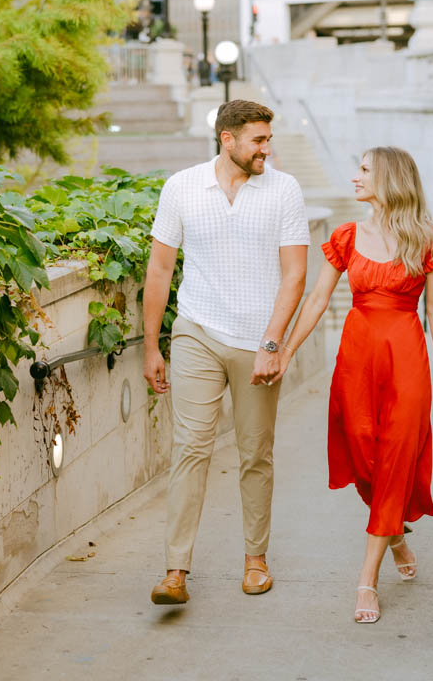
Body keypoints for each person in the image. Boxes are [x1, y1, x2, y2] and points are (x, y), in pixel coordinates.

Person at [274, 146, 433, 624]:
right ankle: (394, 535)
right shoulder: (347, 236)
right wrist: (286, 351)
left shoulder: (430, 238)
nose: (355, 177)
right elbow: (315, 299)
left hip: (407, 359)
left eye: (364, 170)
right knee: (363, 455)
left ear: (390, 179)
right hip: (357, 358)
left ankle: (366, 580)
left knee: (396, 458)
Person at [142, 99, 309, 605]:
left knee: (255, 453)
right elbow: (159, 271)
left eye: (268, 138)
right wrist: (152, 345)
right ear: (227, 139)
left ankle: (255, 560)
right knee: (190, 447)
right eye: (258, 139)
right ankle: (175, 571)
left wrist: (272, 343)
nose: (267, 148)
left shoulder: (283, 189)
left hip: (258, 341)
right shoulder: (183, 187)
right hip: (196, 332)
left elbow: (296, 275)